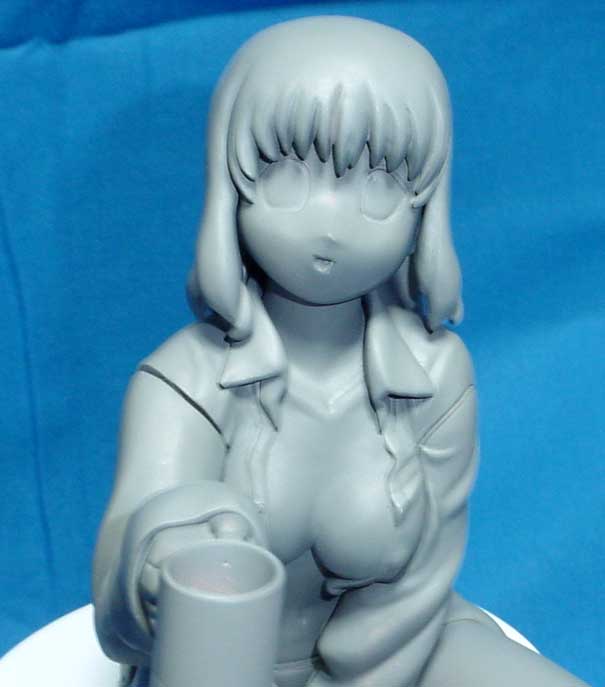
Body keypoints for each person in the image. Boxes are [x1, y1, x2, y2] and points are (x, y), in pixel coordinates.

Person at [93, 16, 588, 687]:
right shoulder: (187, 377)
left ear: (424, 203)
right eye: (287, 174)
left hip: (399, 650)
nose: (331, 220)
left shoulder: (435, 375)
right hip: (218, 666)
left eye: (379, 183)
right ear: (232, 181)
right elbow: (124, 589)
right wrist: (161, 553)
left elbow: (417, 591)